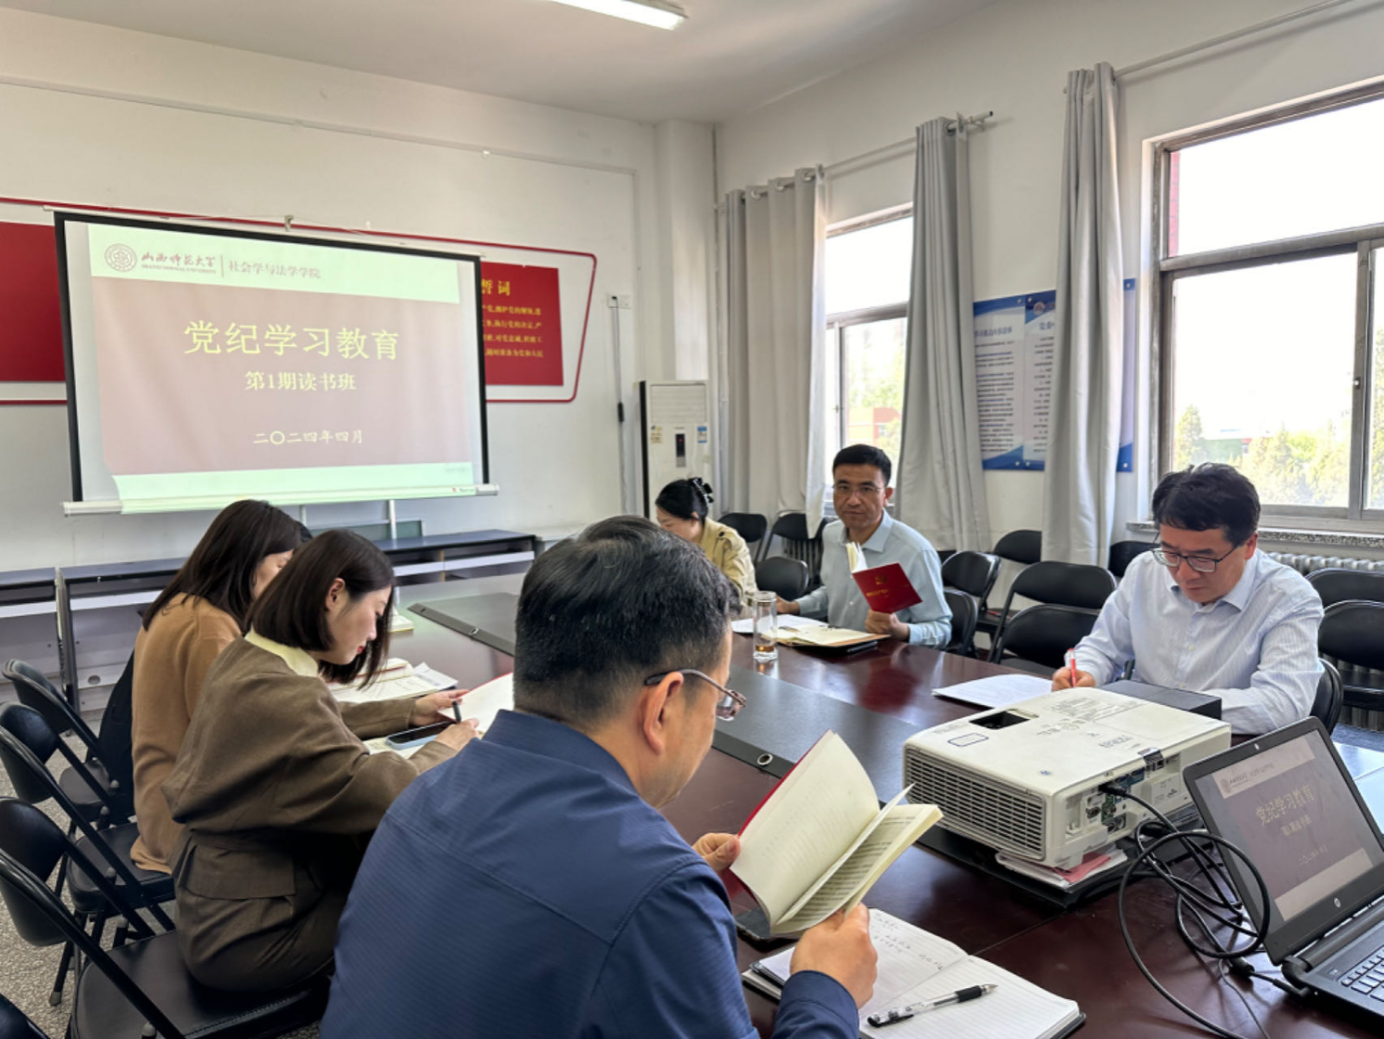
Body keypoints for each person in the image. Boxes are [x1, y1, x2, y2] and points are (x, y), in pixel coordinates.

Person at [320, 517, 877, 1039]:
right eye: (720, 698)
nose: (718, 717)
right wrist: (826, 989)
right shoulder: (654, 896)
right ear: (664, 705)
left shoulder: (422, 794)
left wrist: (658, 890)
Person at [162, 529, 476, 992]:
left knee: (394, 864)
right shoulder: (284, 694)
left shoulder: (251, 656)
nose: (374, 633)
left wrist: (408, 711)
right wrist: (444, 748)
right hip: (250, 937)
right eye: (375, 614)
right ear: (334, 594)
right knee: (431, 893)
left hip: (223, 901)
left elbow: (315, 721)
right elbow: (378, 792)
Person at [1053, 464, 1323, 736]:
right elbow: (1102, 648)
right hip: (1140, 734)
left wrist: (1165, 707)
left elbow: (1282, 704)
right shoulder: (1145, 570)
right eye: (1171, 553)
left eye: (1203, 558)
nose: (1184, 574)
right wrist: (1087, 672)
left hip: (1228, 743)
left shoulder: (1288, 598)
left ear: (1249, 545)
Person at [129, 500, 306, 873]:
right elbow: (234, 741)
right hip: (185, 822)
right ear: (247, 561)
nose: (288, 580)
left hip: (167, 796)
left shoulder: (184, 604)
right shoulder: (208, 628)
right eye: (282, 566)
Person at [778, 444, 950, 646]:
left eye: (866, 489)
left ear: (886, 495)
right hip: (835, 652)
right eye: (843, 488)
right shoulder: (831, 534)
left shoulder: (914, 551)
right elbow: (832, 592)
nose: (853, 500)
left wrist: (900, 631)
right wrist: (793, 607)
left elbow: (941, 629)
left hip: (887, 658)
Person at [655, 475, 760, 611]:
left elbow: (732, 595)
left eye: (668, 524)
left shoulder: (727, 542)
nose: (663, 530)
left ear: (693, 519)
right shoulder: (670, 543)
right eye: (660, 523)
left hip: (735, 615)